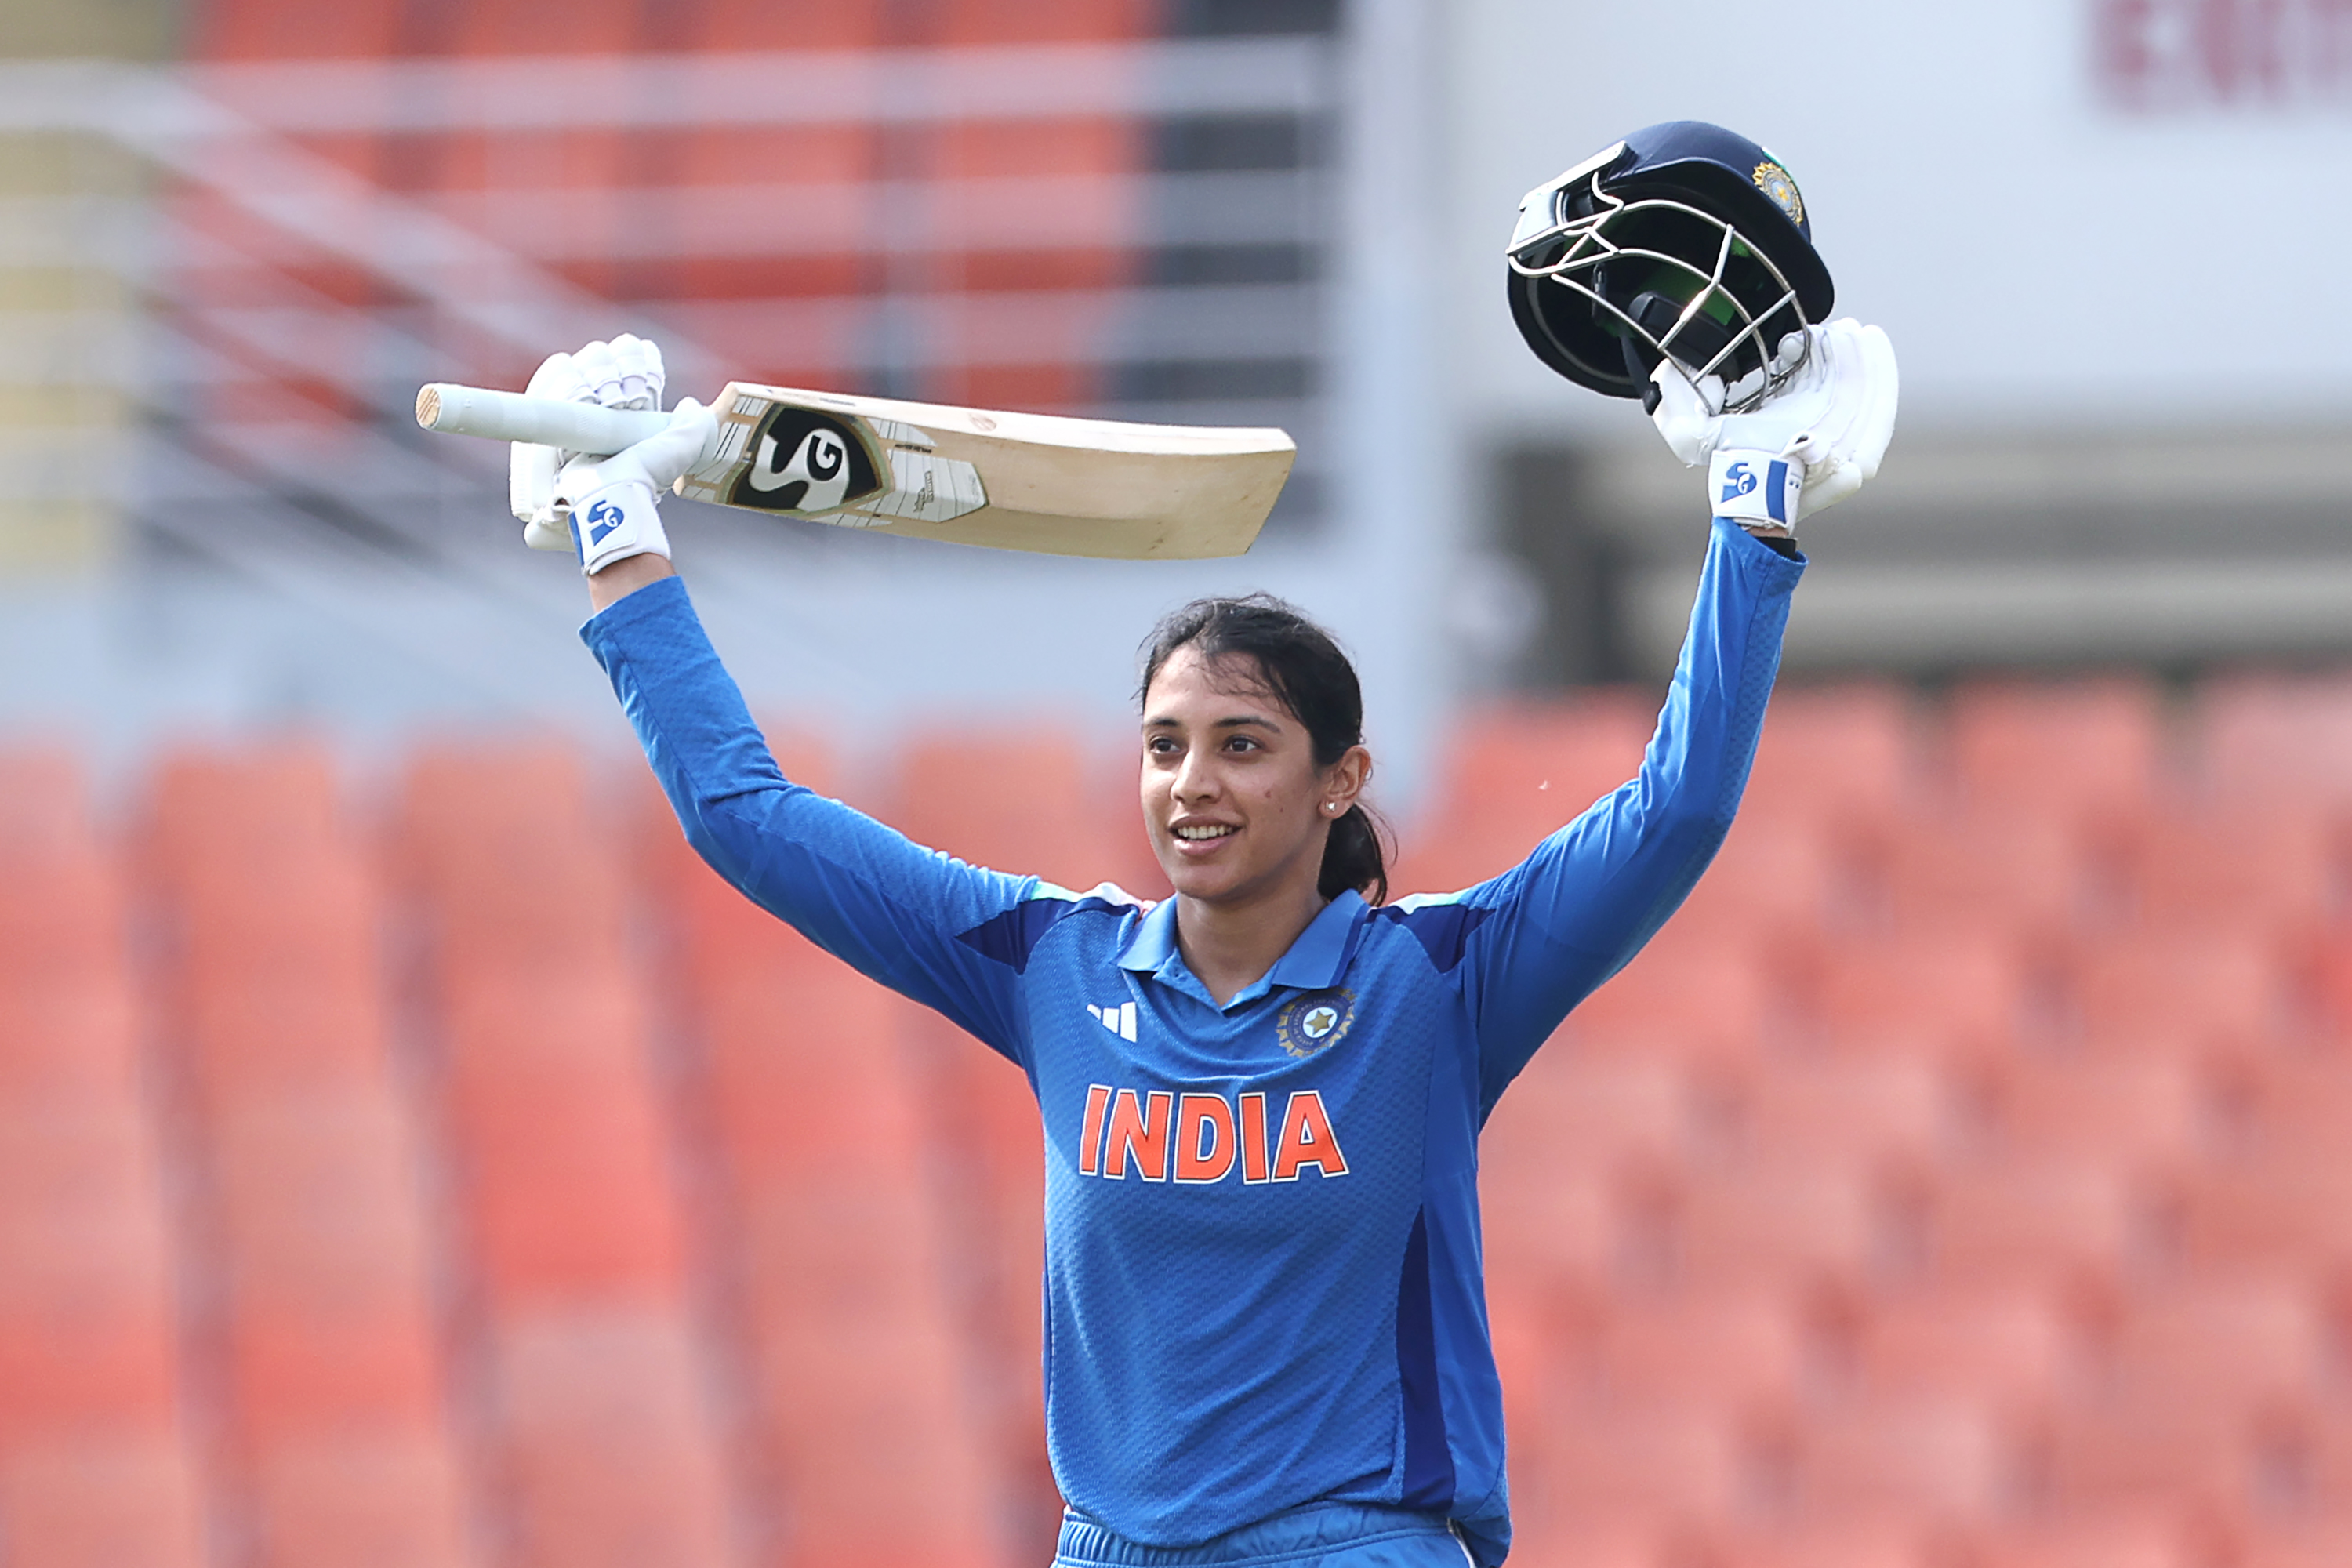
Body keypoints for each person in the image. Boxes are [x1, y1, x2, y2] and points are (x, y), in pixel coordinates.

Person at [511, 318, 1896, 1568]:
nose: (1194, 786)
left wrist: (1751, 516)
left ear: (1339, 780)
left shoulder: (1439, 982)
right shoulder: (1049, 963)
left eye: (1243, 747)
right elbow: (749, 818)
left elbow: (1676, 811)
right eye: (1166, 747)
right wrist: (614, 524)